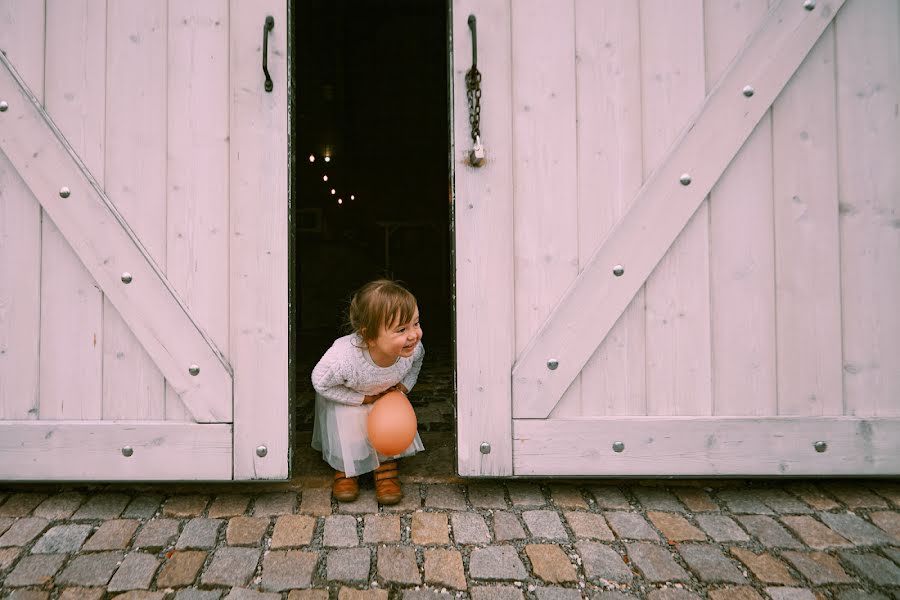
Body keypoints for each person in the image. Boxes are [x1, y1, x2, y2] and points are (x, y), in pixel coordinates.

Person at [311, 279, 425, 504]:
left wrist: (403, 387)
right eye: (401, 329)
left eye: (416, 323)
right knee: (351, 426)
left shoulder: (413, 349)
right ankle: (347, 469)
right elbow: (321, 383)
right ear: (369, 336)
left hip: (384, 398)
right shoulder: (342, 360)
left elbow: (417, 363)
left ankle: (385, 464)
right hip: (349, 397)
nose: (413, 335)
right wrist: (362, 398)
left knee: (389, 424)